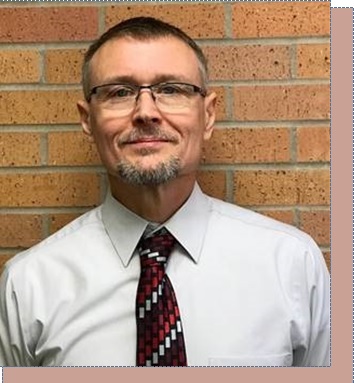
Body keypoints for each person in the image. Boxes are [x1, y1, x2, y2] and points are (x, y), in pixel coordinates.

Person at [0, 17, 330, 367]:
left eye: (171, 89)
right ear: (87, 119)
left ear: (208, 115)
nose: (145, 112)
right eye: (119, 92)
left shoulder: (293, 266)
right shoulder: (28, 286)